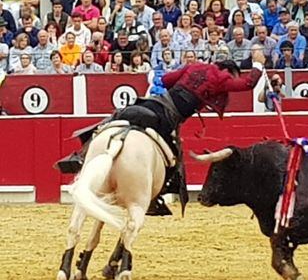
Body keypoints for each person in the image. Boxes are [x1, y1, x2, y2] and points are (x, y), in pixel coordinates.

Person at [57, 47, 267, 215]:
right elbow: (248, 83)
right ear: (228, 71)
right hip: (167, 119)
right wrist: (258, 63)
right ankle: (152, 196)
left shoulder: (194, 66)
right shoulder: (222, 78)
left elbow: (166, 80)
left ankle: (81, 155)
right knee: (173, 158)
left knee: (114, 119)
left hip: (151, 104)